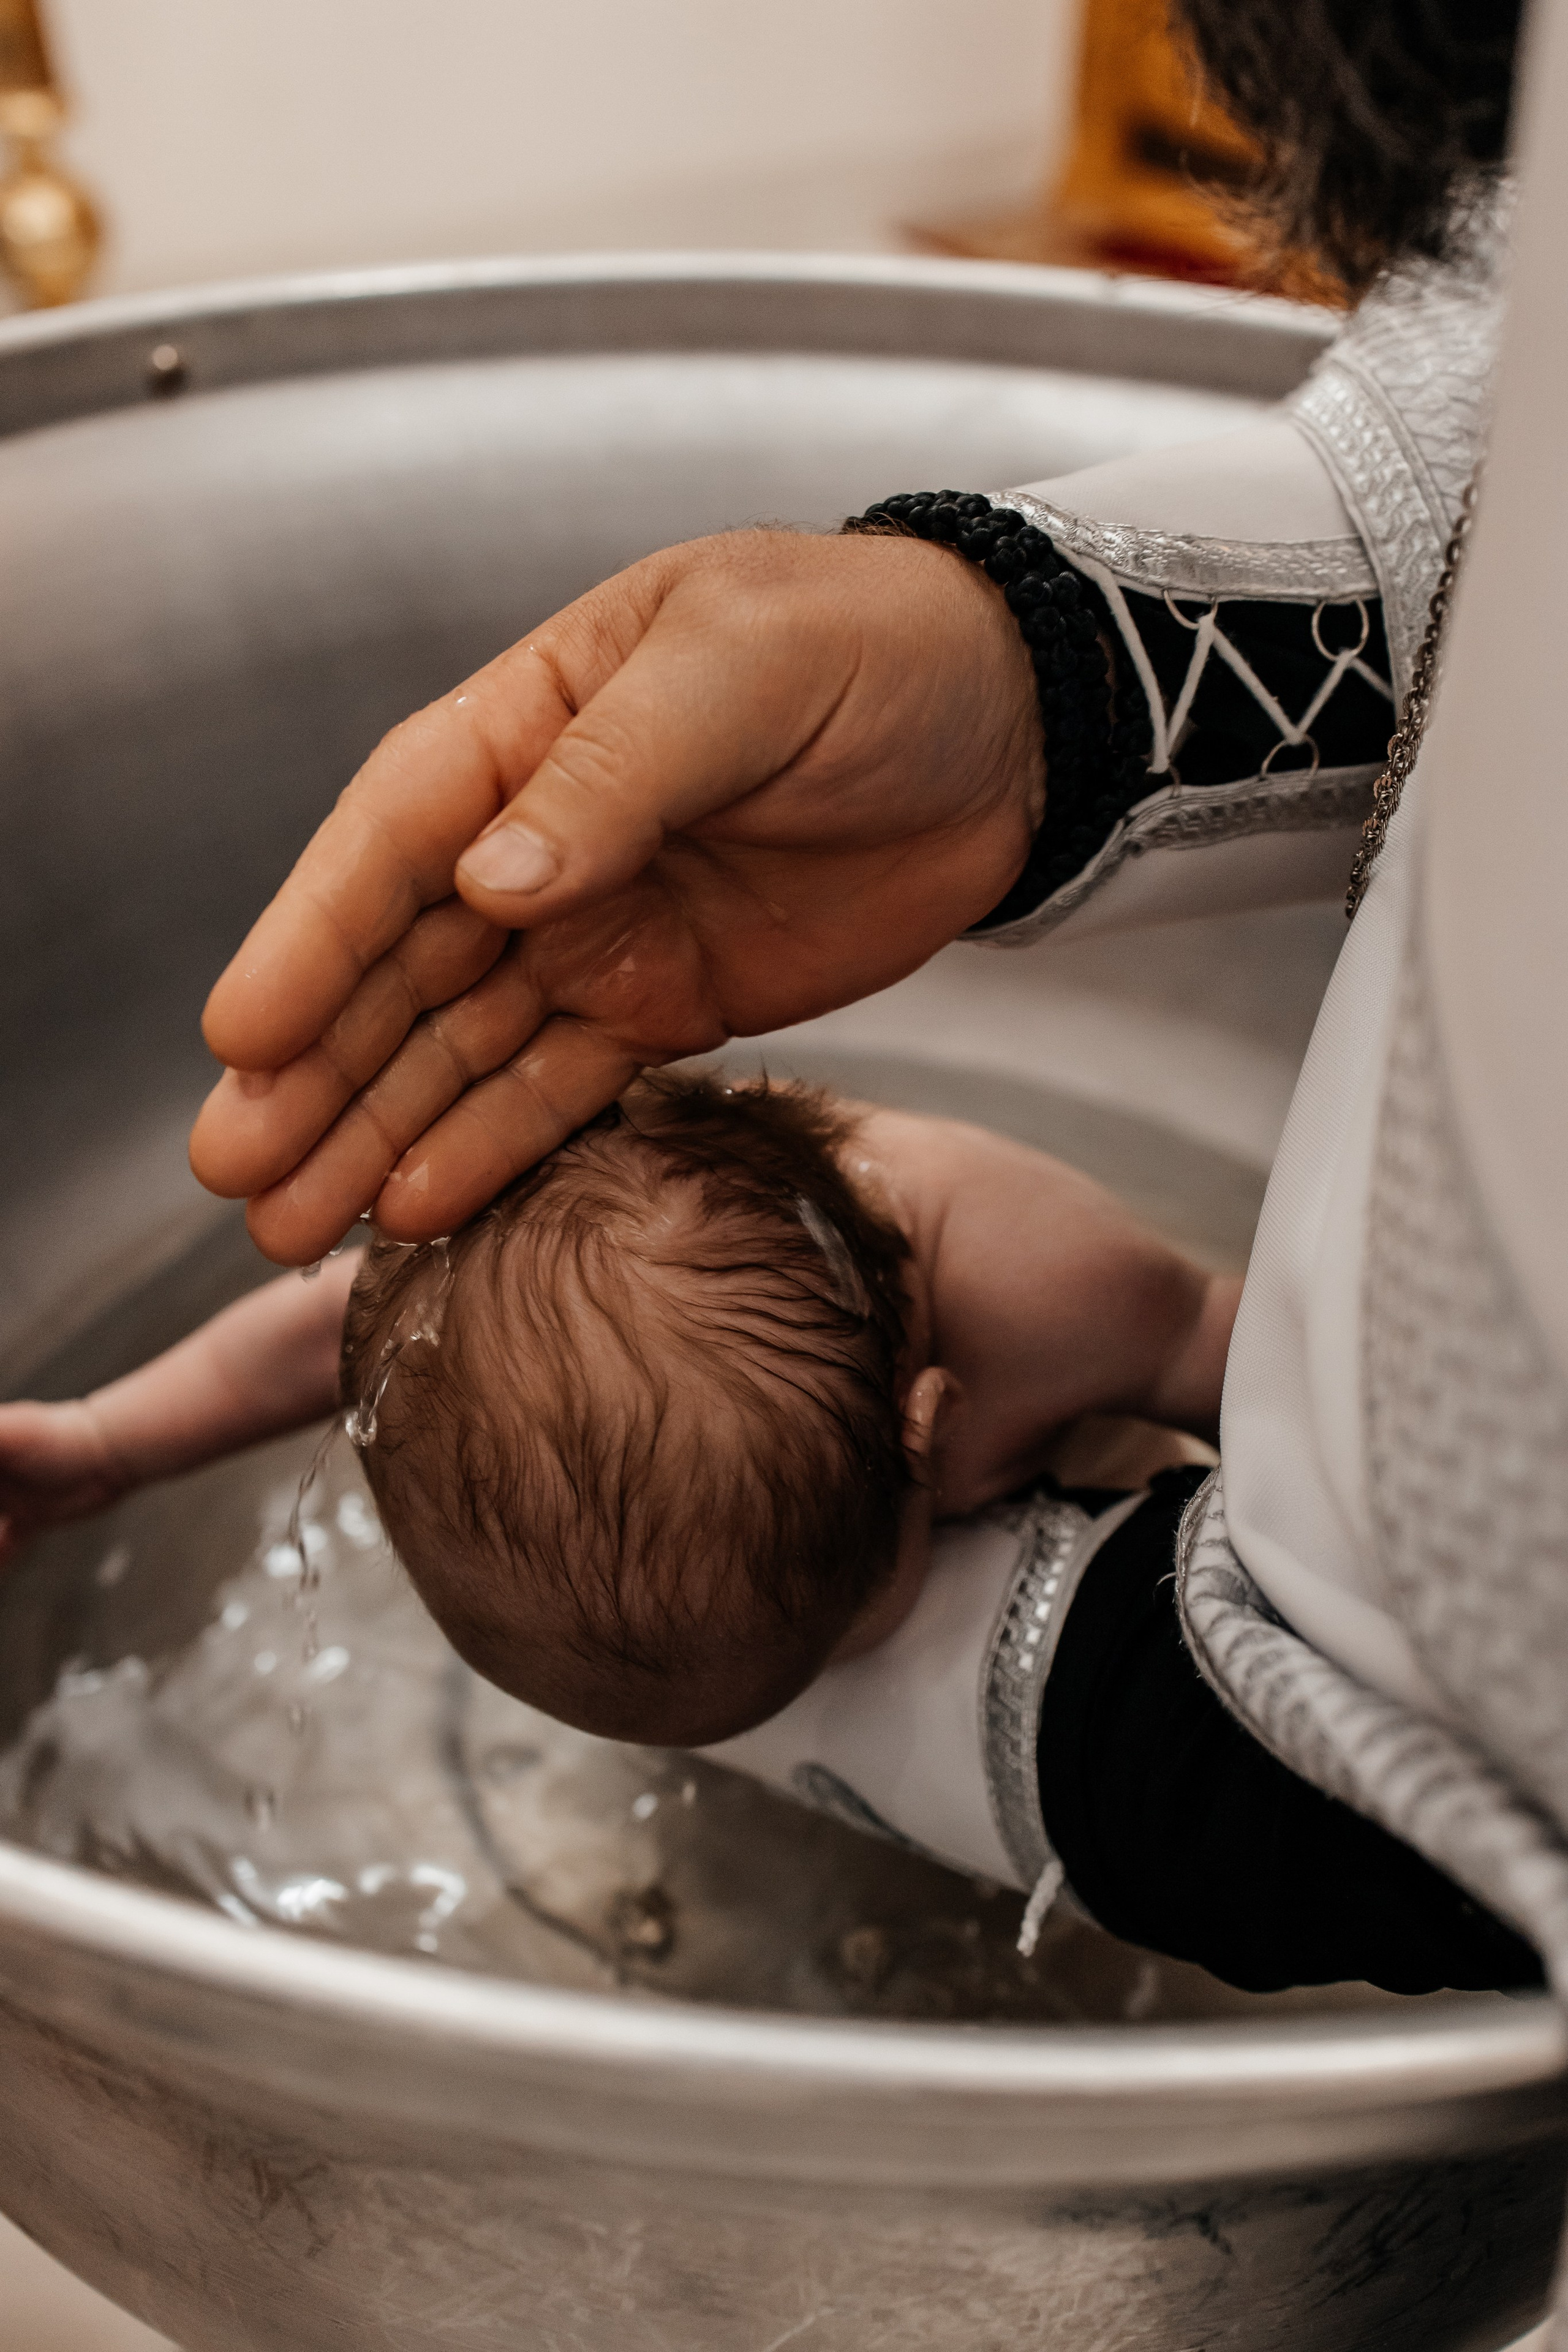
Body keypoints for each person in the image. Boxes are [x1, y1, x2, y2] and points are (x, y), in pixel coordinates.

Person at [164, 0, 1553, 2007]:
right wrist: (1038, 669)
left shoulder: (572, 1447)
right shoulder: (1056, 1323)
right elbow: (1523, 445)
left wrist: (105, 1446)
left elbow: (323, 1334)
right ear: (931, 1422)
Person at [0, 1070, 1538, 1996]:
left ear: (930, 1437)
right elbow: (330, 1334)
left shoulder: (1045, 1284)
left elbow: (1273, 1388)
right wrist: (109, 1443)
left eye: (827, 1650)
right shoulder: (466, 1315)